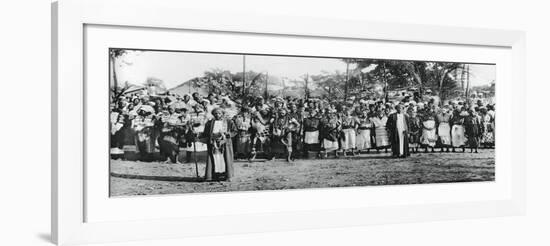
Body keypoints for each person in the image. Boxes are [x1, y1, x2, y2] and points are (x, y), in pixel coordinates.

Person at [199, 108, 237, 181]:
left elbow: (234, 131)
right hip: (213, 143)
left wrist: (228, 134)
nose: (217, 115)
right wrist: (200, 136)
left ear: (222, 114)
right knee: (214, 158)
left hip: (225, 143)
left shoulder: (229, 122)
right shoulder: (209, 123)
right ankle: (212, 176)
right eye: (215, 113)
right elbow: (205, 133)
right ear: (213, 114)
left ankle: (227, 176)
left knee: (225, 158)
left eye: (219, 113)